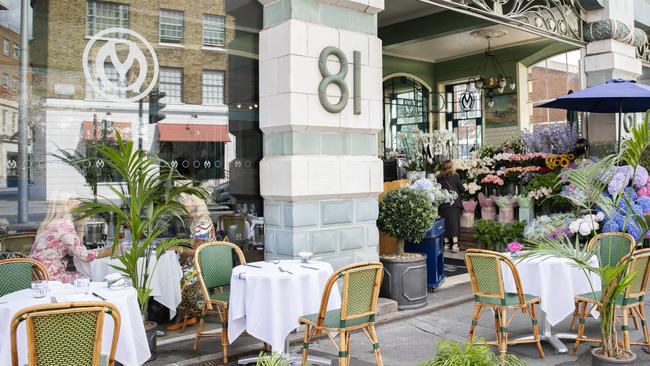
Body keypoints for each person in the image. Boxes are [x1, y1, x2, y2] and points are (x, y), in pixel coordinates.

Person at [30, 195, 112, 283]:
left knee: (86, 276)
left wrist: (81, 226)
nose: (79, 202)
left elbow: (73, 250)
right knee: (90, 278)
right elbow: (86, 255)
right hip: (51, 277)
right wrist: (113, 250)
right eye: (75, 199)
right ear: (67, 203)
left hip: (40, 274)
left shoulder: (51, 222)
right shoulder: (64, 226)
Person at [167, 193, 216, 331]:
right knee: (174, 271)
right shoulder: (198, 221)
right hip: (200, 261)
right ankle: (187, 314)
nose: (182, 207)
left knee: (176, 277)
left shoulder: (202, 224)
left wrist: (178, 248)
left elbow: (197, 251)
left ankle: (183, 315)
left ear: (194, 205)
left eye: (184, 205)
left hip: (202, 265)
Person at [436, 160, 466, 253]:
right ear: (451, 166)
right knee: (454, 223)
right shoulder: (455, 176)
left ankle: (446, 244)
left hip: (443, 203)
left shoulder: (439, 177)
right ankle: (455, 245)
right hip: (454, 204)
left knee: (445, 223)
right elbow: (462, 189)